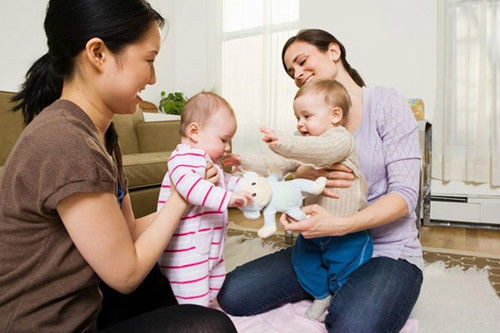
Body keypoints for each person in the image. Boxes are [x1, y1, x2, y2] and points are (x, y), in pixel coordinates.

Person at [0, 1, 236, 332]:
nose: (152, 78)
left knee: (165, 283)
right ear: (98, 53)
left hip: (87, 298)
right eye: (149, 61)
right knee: (208, 326)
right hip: (44, 324)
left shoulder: (99, 131)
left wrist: (197, 202)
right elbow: (125, 274)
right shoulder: (66, 141)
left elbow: (126, 231)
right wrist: (182, 197)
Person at [218, 29, 423, 333]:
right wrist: (300, 177)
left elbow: (405, 196)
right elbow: (287, 172)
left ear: (333, 52)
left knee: (352, 326)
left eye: (302, 62)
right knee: (234, 294)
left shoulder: (386, 103)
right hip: (323, 244)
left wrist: (339, 225)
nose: (298, 74)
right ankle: (325, 281)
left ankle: (350, 287)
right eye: (291, 72)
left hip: (388, 250)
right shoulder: (312, 120)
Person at [225, 79, 373, 321]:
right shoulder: (303, 147)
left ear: (335, 115)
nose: (300, 124)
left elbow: (319, 150)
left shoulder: (340, 139)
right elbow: (276, 166)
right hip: (312, 229)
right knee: (304, 262)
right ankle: (322, 294)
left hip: (346, 233)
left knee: (348, 271)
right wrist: (243, 161)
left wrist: (283, 142)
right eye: (297, 118)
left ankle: (340, 298)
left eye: (306, 116)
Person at [157, 92, 252, 307]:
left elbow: (225, 181)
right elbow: (192, 188)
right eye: (223, 140)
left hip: (210, 247)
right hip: (186, 253)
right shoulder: (182, 159)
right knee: (194, 299)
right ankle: (196, 319)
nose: (227, 147)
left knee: (215, 284)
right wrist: (229, 198)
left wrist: (247, 186)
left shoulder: (208, 162)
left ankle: (208, 310)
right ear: (194, 132)